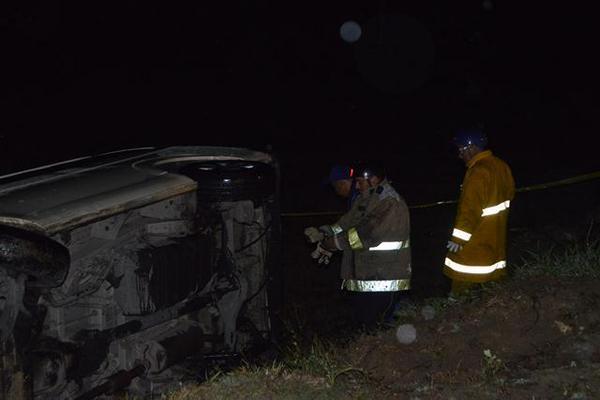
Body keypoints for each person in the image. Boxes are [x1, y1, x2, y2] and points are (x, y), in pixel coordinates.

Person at [305, 162, 411, 329]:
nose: (357, 186)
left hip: (384, 277)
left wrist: (333, 244)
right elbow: (347, 222)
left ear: (374, 180)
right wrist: (325, 232)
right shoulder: (367, 197)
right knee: (365, 324)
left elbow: (366, 234)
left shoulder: (389, 202)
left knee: (378, 326)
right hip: (368, 274)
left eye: (360, 181)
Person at [444, 129, 515, 296]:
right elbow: (510, 194)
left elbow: (469, 209)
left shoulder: (477, 171)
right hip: (496, 234)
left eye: (461, 150)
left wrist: (458, 239)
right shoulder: (501, 165)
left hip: (476, 238)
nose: (460, 155)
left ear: (471, 148)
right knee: (492, 281)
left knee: (463, 278)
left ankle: (456, 311)